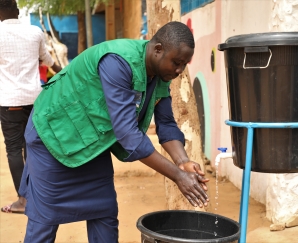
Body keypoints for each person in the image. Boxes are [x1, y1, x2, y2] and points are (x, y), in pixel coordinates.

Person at [20, 21, 209, 242]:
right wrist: (178, 176)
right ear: (158, 49)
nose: (179, 71)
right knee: (45, 219)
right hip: (53, 137)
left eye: (184, 64)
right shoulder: (117, 62)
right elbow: (128, 135)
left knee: (105, 212)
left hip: (92, 142)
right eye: (176, 63)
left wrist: (183, 162)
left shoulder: (160, 76)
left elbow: (166, 124)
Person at [0, 0, 62, 214]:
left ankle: (23, 201)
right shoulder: (34, 32)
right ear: (17, 12)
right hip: (35, 100)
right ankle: (42, 196)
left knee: (14, 150)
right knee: (33, 148)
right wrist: (65, 74)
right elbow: (48, 60)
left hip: (10, 102)